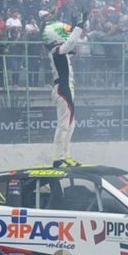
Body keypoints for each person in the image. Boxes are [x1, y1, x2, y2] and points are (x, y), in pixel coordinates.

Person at [42, 11, 87, 168]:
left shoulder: (59, 50)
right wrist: (78, 27)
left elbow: (71, 43)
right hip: (62, 88)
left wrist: (75, 27)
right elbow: (70, 43)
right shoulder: (56, 51)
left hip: (66, 88)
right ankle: (57, 159)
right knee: (63, 124)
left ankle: (65, 156)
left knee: (70, 123)